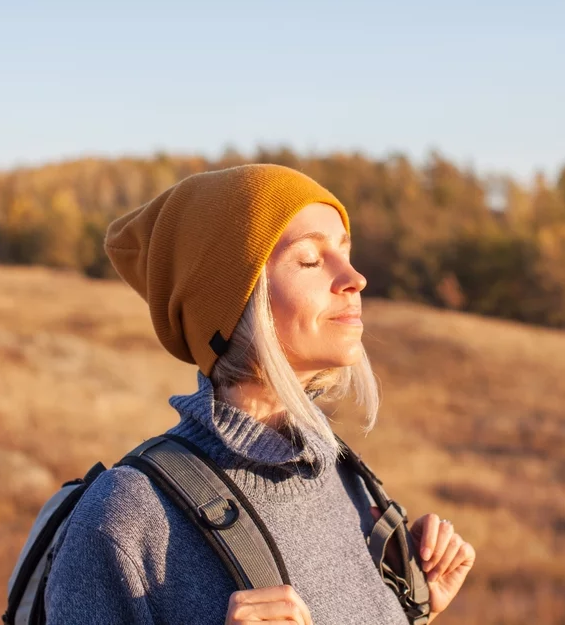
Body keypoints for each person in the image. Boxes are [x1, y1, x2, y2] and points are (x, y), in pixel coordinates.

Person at [45, 164, 475, 624]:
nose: (355, 277)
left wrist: (415, 605)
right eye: (310, 259)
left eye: (347, 252)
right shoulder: (126, 515)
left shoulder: (343, 476)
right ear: (233, 302)